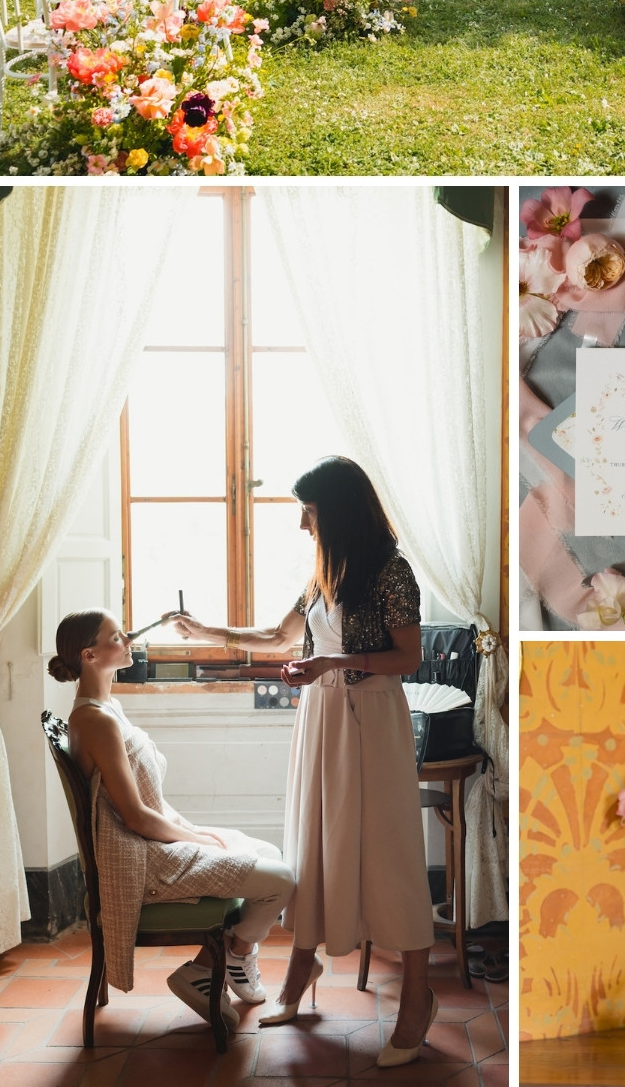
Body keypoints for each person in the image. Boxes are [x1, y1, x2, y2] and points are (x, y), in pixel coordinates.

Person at [170, 454, 436, 1069]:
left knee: (390, 853)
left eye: (309, 512)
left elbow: (407, 659)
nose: (301, 526)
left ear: (338, 512)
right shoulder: (323, 574)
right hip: (321, 720)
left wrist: (332, 666)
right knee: (313, 844)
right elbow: (282, 636)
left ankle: (417, 1001)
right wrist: (207, 630)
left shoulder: (391, 573)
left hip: (371, 722)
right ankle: (299, 971)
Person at [51, 610, 295, 1030]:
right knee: (283, 881)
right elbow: (135, 816)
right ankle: (210, 968)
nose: (127, 640)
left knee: (269, 853)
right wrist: (194, 839)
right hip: (142, 860)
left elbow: (143, 809)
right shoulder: (94, 719)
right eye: (116, 636)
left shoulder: (107, 706)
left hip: (152, 842)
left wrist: (194, 833)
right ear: (90, 655)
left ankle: (227, 960)